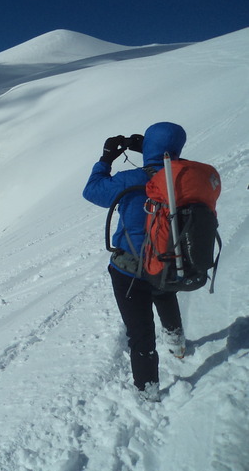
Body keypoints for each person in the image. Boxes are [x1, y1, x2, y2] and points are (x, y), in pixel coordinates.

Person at [83, 121, 188, 401]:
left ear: (149, 147)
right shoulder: (186, 179)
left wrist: (106, 158)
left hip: (129, 269)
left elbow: (92, 191)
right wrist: (156, 152)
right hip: (168, 264)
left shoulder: (131, 179)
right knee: (165, 296)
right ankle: (177, 342)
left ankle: (147, 390)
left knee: (140, 332)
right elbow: (174, 163)